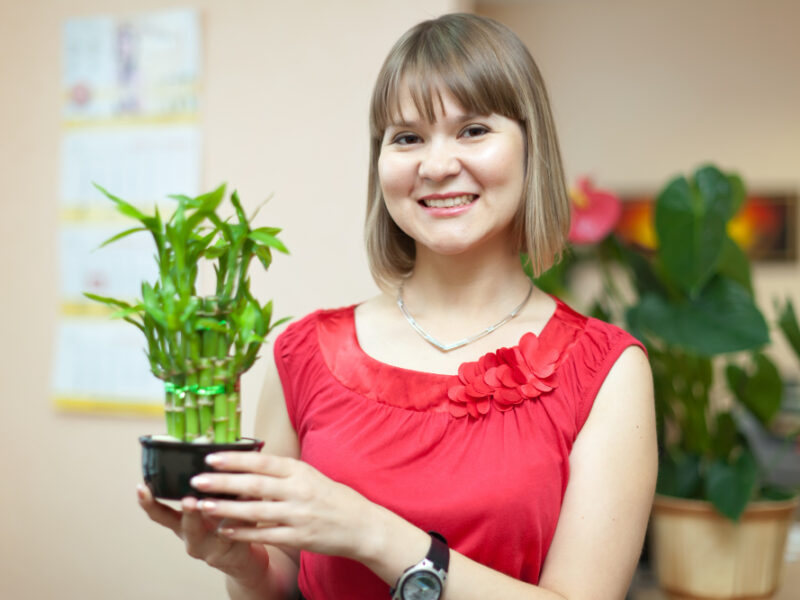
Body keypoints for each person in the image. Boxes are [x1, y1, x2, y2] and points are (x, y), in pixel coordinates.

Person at [137, 13, 656, 600]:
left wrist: (371, 533)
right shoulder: (303, 354)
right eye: (406, 137)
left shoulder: (606, 371)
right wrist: (243, 563)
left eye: (473, 130)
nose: (435, 166)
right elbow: (279, 584)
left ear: (532, 147)